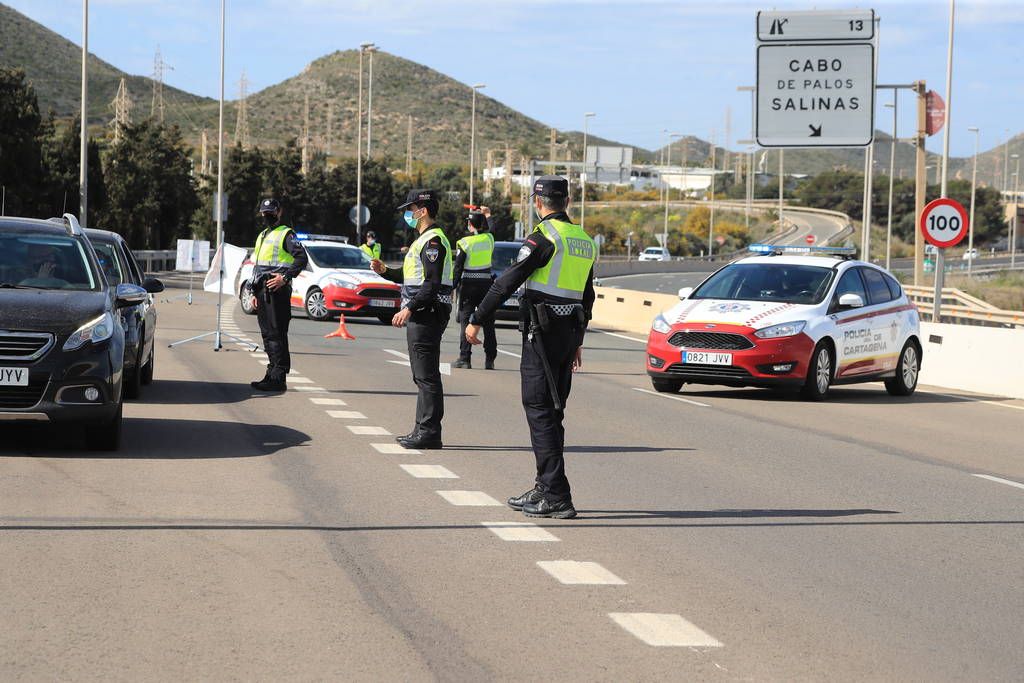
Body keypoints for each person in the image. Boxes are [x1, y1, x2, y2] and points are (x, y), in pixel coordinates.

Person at [465, 176, 596, 519]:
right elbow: (588, 295)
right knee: (553, 410)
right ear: (566, 202)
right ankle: (543, 487)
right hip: (568, 334)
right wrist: (579, 340)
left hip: (543, 331)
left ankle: (556, 494)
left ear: (538, 204)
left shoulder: (543, 238)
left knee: (539, 407)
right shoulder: (583, 240)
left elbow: (507, 281)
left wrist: (477, 318)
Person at [370, 189, 452, 449]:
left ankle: (429, 432)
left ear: (423, 210)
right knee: (422, 375)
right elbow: (410, 277)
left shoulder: (433, 242)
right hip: (424, 311)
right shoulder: (424, 240)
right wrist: (385, 271)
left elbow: (432, 283)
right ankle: (422, 428)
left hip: (427, 312)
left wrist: (409, 308)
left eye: (411, 209)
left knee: (426, 376)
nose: (408, 214)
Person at [248, 198, 308, 392]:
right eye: (264, 212)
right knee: (267, 334)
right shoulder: (263, 235)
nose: (267, 216)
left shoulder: (286, 234)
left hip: (277, 289)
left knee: (276, 333)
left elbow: (301, 259)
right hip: (263, 289)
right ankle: (272, 371)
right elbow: (258, 266)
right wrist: (253, 290)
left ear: (279, 212)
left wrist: (285, 277)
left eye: (271, 212)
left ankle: (278, 376)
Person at [453, 208, 496, 369]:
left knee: (466, 321)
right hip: (486, 285)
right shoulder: (490, 238)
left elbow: (458, 268)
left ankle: (465, 358)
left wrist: (451, 286)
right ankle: (490, 359)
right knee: (489, 322)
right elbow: (492, 228)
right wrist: (488, 214)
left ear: (470, 224)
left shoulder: (464, 242)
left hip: (468, 287)